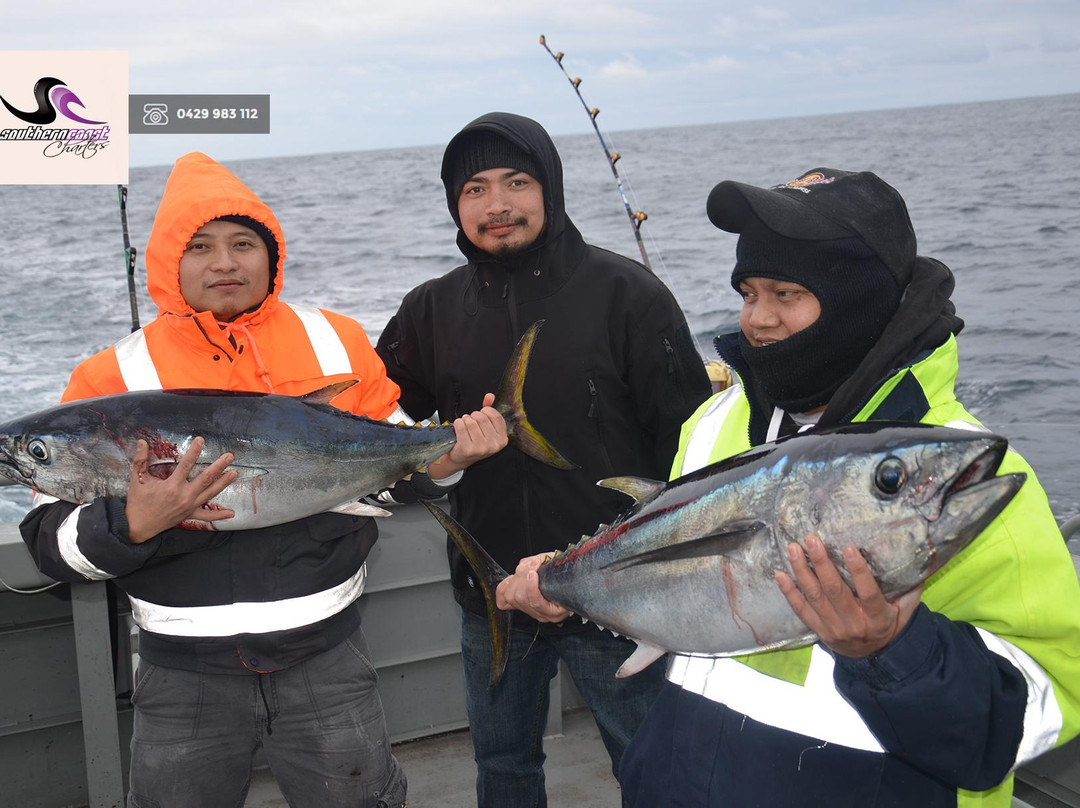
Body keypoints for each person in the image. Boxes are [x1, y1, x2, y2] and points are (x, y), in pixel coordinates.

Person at [19, 152, 506, 808]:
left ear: (270, 254)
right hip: (180, 674)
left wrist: (445, 461)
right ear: (169, 261)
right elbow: (51, 543)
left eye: (243, 243)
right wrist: (130, 523)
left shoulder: (334, 340)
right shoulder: (110, 378)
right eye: (200, 247)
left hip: (327, 658)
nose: (225, 263)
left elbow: (389, 478)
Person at [604, 167, 1080, 806]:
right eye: (748, 292)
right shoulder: (716, 422)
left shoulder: (954, 476)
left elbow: (1041, 708)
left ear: (859, 302)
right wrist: (564, 580)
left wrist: (893, 652)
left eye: (787, 294)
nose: (758, 320)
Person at [375, 112, 712, 806]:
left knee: (653, 768)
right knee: (502, 772)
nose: (496, 205)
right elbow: (377, 445)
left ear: (550, 189)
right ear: (455, 204)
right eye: (474, 189)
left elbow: (693, 452)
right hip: (490, 596)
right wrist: (441, 465)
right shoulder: (427, 312)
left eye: (516, 182)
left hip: (618, 598)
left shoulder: (630, 295)